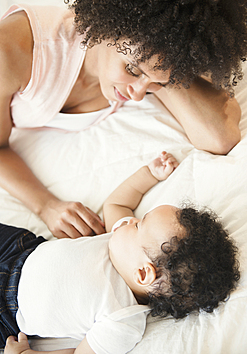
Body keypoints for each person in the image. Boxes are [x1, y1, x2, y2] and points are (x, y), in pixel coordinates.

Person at [0, 0, 247, 239]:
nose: (138, 94)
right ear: (106, 28)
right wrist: (46, 206)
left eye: (157, 84)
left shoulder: (153, 62)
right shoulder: (10, 50)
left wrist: (165, 67)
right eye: (132, 69)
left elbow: (220, 138)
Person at [1, 151, 240, 354]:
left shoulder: (122, 319)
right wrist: (149, 173)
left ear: (144, 273)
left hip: (8, 309)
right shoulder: (122, 245)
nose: (130, 221)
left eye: (138, 225)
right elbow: (116, 204)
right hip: (20, 249)